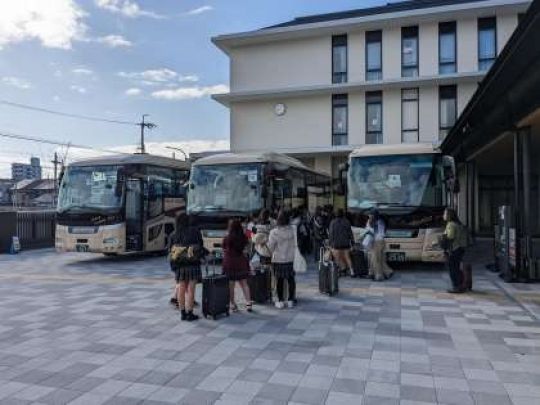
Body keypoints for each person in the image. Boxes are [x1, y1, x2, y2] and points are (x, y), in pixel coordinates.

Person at [169, 214, 204, 321]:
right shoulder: (195, 232)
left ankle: (183, 313)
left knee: (181, 288)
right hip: (193, 264)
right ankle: (190, 313)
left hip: (180, 265)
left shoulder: (173, 234)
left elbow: (170, 251)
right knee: (191, 289)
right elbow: (201, 246)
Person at [268, 211, 297, 309]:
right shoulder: (293, 230)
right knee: (291, 279)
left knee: (279, 280)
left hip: (278, 259)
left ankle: (280, 301)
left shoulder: (274, 232)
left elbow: (270, 247)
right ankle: (290, 300)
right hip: (290, 258)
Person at [222, 219, 253, 312]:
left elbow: (223, 248)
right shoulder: (243, 237)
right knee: (244, 283)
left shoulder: (227, 237)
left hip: (229, 262)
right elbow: (247, 247)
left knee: (231, 285)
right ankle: (248, 303)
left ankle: (233, 304)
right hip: (241, 261)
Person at [441, 208, 468, 293]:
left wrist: (441, 240)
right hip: (461, 248)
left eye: (445, 214)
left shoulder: (451, 224)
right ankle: (461, 285)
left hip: (454, 249)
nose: (443, 215)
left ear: (449, 215)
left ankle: (456, 286)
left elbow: (450, 237)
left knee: (452, 269)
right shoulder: (458, 224)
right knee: (457, 267)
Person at [366, 211, 393, 281]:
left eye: (370, 214)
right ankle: (388, 272)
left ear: (373, 216)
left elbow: (370, 231)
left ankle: (379, 275)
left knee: (376, 259)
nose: (368, 215)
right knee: (379, 258)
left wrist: (369, 221)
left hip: (376, 242)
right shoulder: (381, 221)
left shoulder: (373, 222)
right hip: (382, 241)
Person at [328, 209, 354, 276]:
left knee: (337, 258)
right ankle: (351, 271)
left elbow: (331, 233)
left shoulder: (332, 222)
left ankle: (339, 271)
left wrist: (330, 243)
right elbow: (350, 233)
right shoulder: (347, 222)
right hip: (345, 243)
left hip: (336, 243)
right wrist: (352, 241)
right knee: (347, 257)